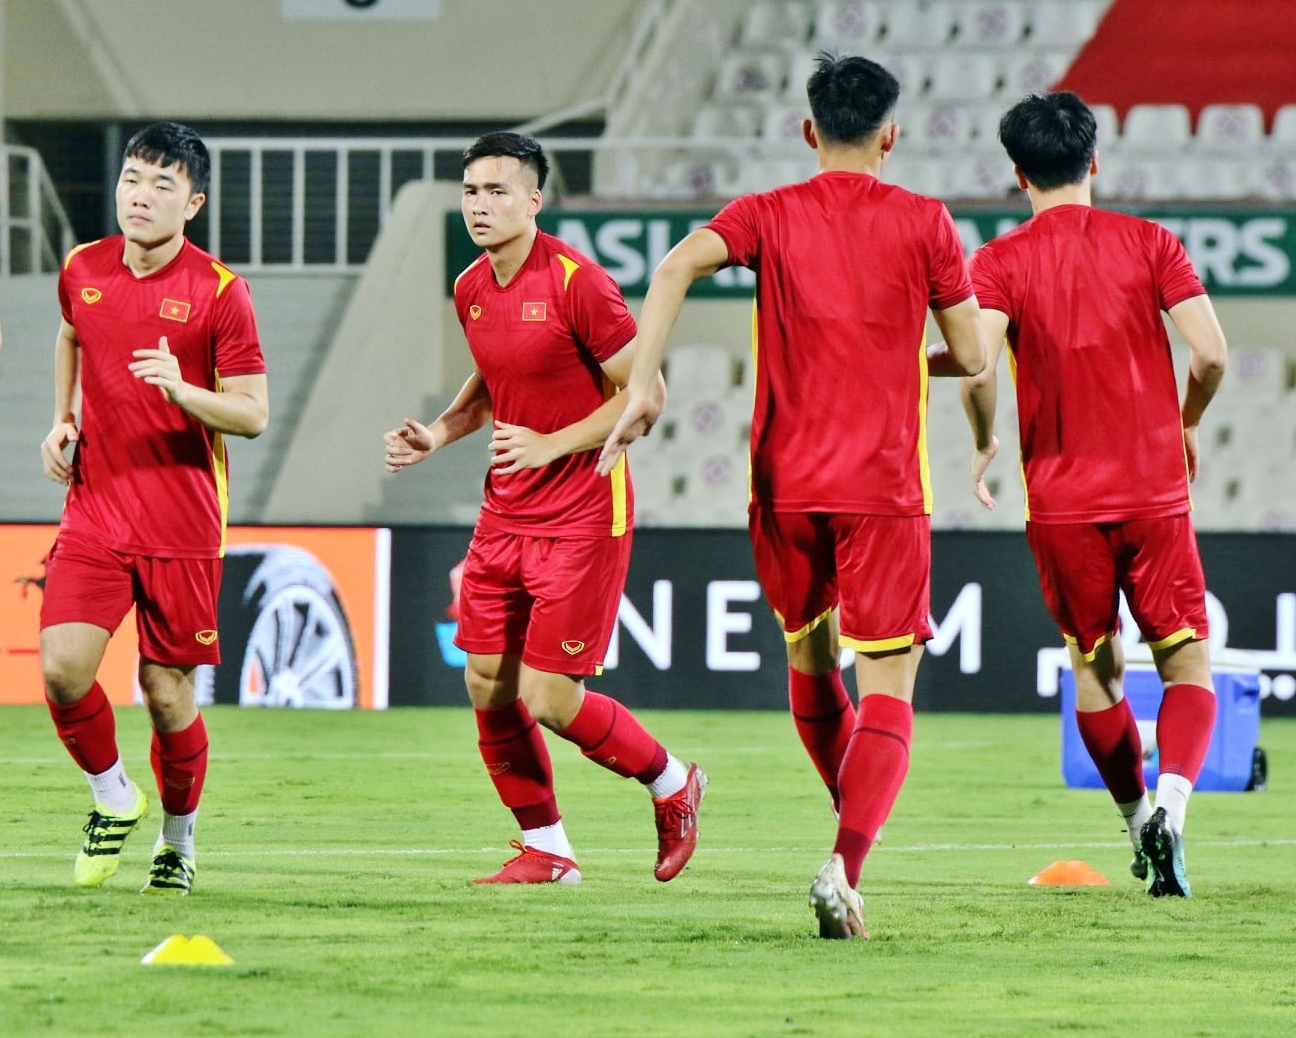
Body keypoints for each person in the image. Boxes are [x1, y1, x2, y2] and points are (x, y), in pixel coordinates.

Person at [598, 54, 986, 937]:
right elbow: (972, 355)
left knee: (812, 660)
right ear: (891, 135)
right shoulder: (925, 220)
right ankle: (847, 863)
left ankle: (852, 819)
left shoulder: (764, 213)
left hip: (784, 486)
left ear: (808, 131)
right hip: (882, 486)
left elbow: (671, 271)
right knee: (887, 686)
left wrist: (641, 385)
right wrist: (901, 358)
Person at [383, 131, 704, 885]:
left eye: (498, 191)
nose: (480, 205)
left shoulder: (577, 283)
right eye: (471, 191)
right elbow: (495, 379)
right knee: (486, 683)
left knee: (551, 698)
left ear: (534, 200)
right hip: (505, 515)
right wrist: (439, 433)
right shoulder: (470, 286)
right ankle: (548, 850)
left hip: (584, 514)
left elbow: (647, 396)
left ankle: (673, 782)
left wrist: (552, 444)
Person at [955, 91, 1228, 897]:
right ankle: (1173, 808)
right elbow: (1212, 355)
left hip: (1062, 505)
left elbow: (977, 366)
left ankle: (1137, 820)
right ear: (1094, 160)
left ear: (1019, 175)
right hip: (1154, 493)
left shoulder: (998, 261)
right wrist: (1186, 419)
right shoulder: (1151, 243)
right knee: (1186, 663)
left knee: (1097, 669)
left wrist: (982, 441)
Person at [39, 121, 269, 895]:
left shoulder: (221, 293)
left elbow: (253, 414)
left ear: (192, 203)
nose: (140, 195)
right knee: (62, 670)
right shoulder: (83, 266)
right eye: (132, 178)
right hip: (95, 509)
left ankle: (178, 841)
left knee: (167, 696)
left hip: (183, 522)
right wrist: (63, 418)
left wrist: (183, 390)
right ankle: (113, 796)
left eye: (162, 184)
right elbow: (71, 335)